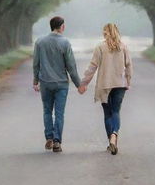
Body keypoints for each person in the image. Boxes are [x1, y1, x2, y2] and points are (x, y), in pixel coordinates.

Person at [78, 23, 132, 155]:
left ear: (105, 33)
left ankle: (110, 141)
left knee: (107, 113)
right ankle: (114, 135)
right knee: (116, 111)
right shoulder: (123, 46)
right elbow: (129, 65)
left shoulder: (100, 47)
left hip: (104, 84)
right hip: (120, 84)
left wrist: (84, 82)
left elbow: (92, 66)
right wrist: (128, 81)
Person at [33, 15, 81, 153]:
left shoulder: (40, 42)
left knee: (47, 111)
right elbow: (71, 66)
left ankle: (49, 137)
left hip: (45, 83)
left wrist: (35, 81)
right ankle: (57, 141)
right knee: (59, 113)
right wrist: (79, 85)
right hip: (61, 84)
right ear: (62, 27)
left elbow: (36, 64)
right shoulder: (65, 43)